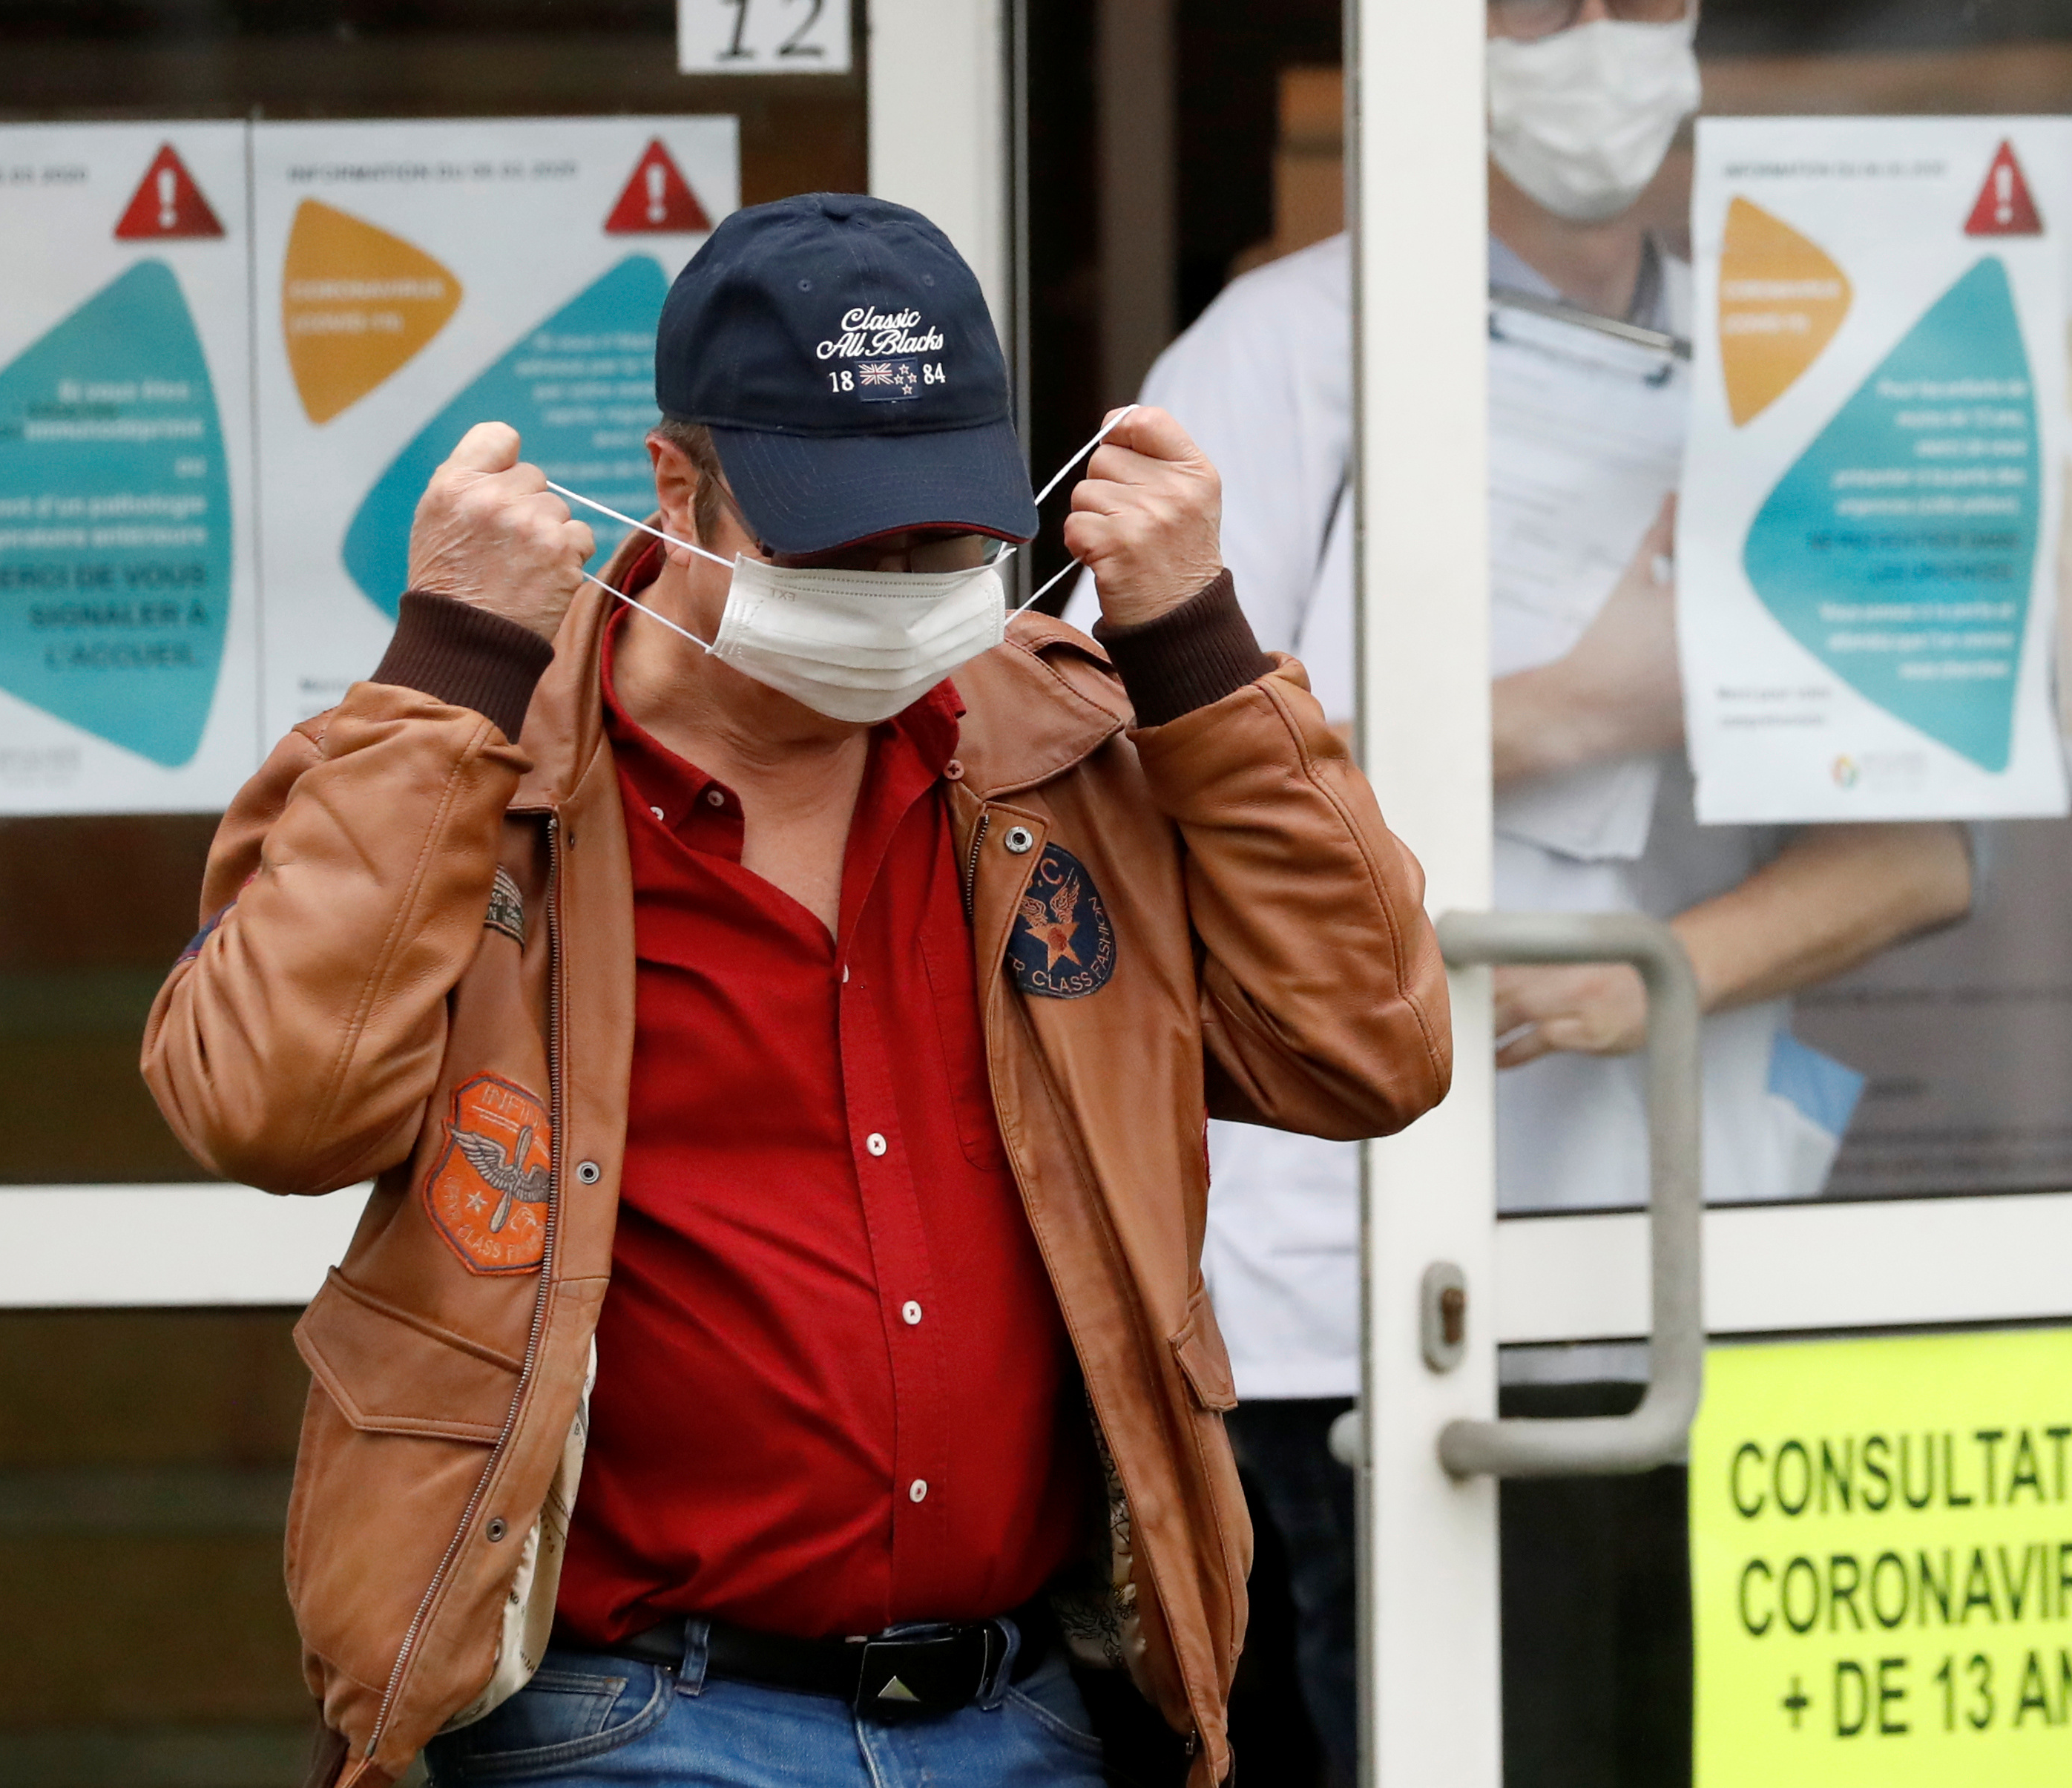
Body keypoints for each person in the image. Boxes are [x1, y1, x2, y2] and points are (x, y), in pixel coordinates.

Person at [142, 194, 1450, 1788]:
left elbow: (1369, 1047)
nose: (900, 587)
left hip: (1026, 1709)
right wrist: (447, 667)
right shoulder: (483, 754)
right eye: (841, 543)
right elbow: (268, 1104)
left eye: (947, 542)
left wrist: (1196, 650)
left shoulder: (1058, 748)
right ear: (675, 487)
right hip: (619, 1716)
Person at [1067, 1, 1976, 1777]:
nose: (1600, 41)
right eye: (1542, 5)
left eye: (1638, 0)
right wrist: (1580, 705)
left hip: (1669, 1264)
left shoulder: (1789, 352)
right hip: (1339, 1286)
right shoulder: (1291, 349)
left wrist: (1666, 970)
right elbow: (1123, 794)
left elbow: (1935, 833)